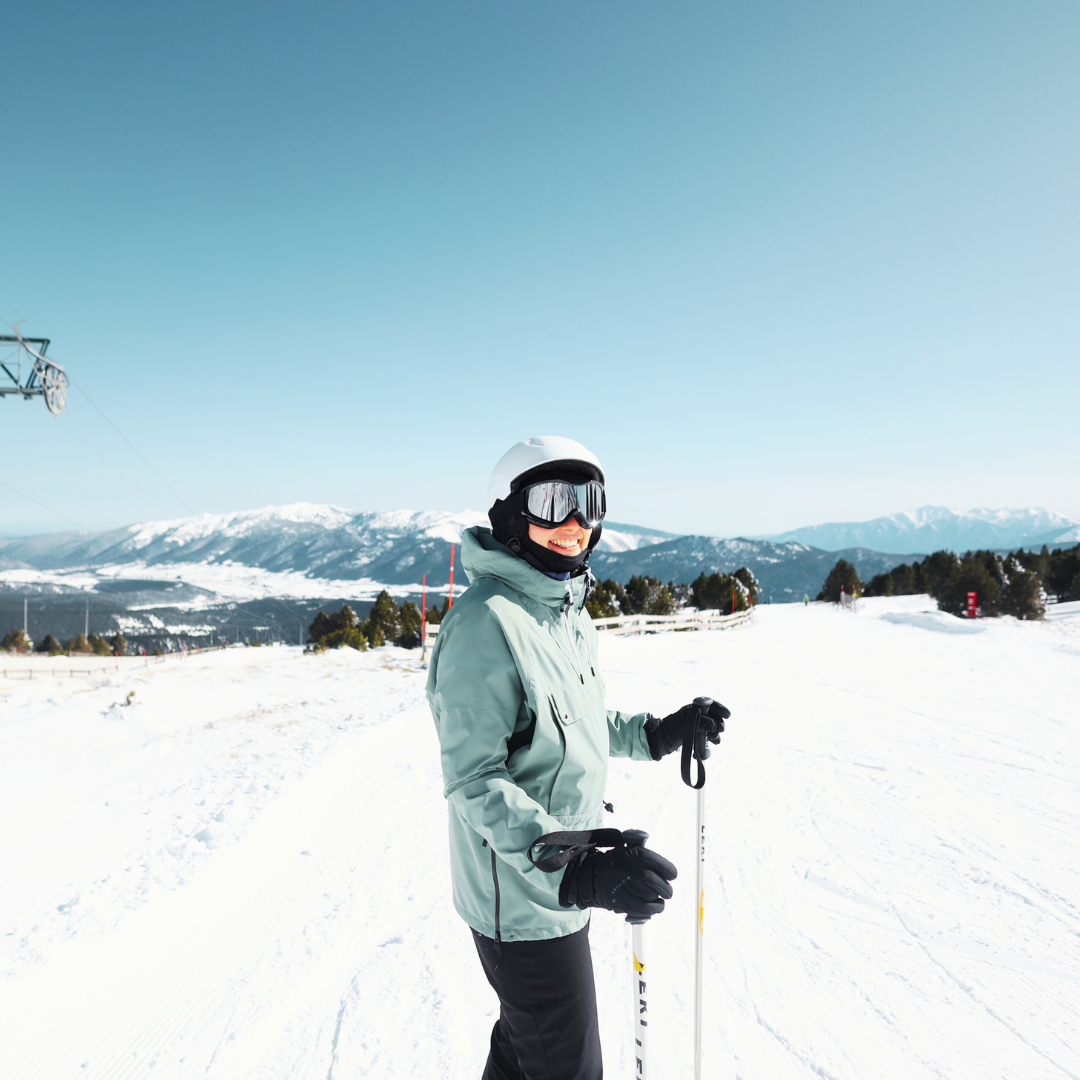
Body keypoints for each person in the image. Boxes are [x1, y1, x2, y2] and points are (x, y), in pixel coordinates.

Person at [426, 435, 730, 1080]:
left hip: (556, 883)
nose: (574, 523)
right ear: (509, 516)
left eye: (588, 503)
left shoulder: (566, 615)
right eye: (553, 502)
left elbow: (577, 723)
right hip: (524, 897)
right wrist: (575, 871)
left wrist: (657, 732)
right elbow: (475, 779)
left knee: (524, 1048)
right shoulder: (487, 622)